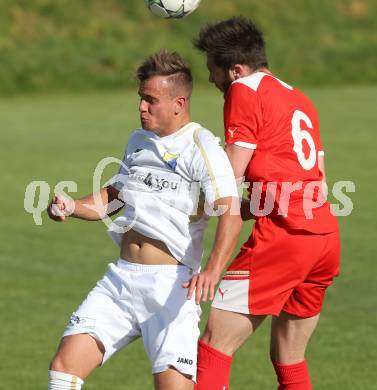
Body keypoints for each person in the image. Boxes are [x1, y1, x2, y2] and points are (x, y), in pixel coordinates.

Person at [47, 50, 242, 390]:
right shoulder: (138, 141)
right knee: (64, 369)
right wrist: (72, 206)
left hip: (171, 288)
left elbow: (231, 211)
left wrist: (211, 270)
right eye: (141, 99)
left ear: (179, 103)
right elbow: (115, 196)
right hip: (120, 281)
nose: (141, 107)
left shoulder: (202, 146)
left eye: (151, 100)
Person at [189, 17, 340, 389]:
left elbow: (230, 176)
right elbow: (315, 180)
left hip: (285, 239)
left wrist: (186, 206)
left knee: (212, 347)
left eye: (213, 70)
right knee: (289, 358)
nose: (211, 80)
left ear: (236, 69)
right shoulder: (299, 98)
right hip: (324, 239)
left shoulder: (244, 91)